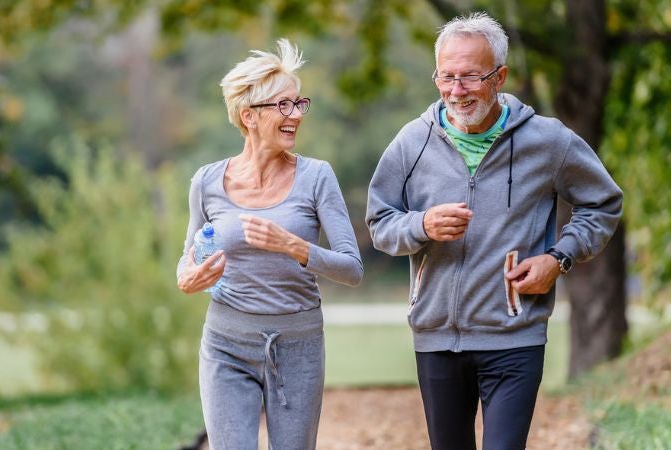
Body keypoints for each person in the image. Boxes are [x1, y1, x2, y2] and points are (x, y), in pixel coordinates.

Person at [365, 12, 622, 450]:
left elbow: (603, 203)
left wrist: (558, 258)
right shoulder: (412, 142)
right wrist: (420, 225)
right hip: (436, 336)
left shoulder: (548, 141)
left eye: (470, 77)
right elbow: (379, 221)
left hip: (514, 334)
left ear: (500, 76)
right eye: (446, 77)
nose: (456, 90)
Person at [176, 38, 363, 449]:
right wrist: (188, 278)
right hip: (225, 343)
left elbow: (352, 268)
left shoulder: (317, 177)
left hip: (298, 344)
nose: (295, 114)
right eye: (283, 105)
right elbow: (188, 258)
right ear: (249, 116)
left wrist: (294, 247)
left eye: (298, 104)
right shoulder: (207, 182)